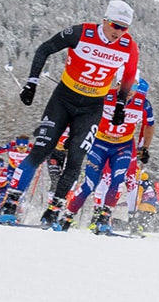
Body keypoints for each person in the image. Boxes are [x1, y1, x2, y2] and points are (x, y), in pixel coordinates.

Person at [0, 0, 140, 227]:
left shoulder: (129, 46)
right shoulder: (80, 32)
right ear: (104, 19)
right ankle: (10, 204)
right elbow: (45, 48)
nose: (118, 32)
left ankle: (54, 211)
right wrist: (31, 83)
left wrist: (121, 106)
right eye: (114, 25)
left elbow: (129, 75)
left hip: (92, 108)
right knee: (40, 150)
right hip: (63, 100)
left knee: (75, 159)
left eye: (124, 28)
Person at [62, 76, 153, 234]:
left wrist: (145, 148)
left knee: (117, 181)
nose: (131, 91)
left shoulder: (142, 102)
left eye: (134, 86)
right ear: (118, 83)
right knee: (90, 184)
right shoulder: (106, 96)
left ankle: (104, 218)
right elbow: (83, 114)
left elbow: (150, 125)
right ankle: (67, 216)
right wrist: (74, 136)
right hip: (100, 144)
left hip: (123, 147)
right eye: (127, 85)